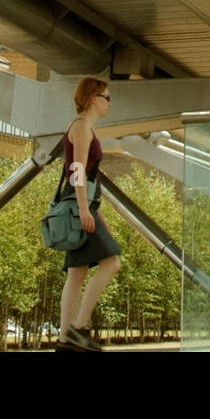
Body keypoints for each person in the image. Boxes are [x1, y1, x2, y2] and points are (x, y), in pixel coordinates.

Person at [56, 78, 122, 352]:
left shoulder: (85, 127)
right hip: (78, 205)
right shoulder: (82, 127)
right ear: (93, 98)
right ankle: (78, 328)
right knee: (112, 262)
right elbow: (78, 170)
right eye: (107, 97)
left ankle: (64, 339)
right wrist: (85, 208)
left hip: (81, 205)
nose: (109, 103)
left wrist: (93, 210)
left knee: (77, 273)